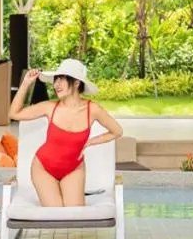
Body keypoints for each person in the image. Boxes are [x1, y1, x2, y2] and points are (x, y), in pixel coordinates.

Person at [8, 58, 123, 207]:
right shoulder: (49, 107)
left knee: (75, 215)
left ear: (76, 83)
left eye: (62, 79)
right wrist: (25, 84)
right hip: (44, 168)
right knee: (56, 213)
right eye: (56, 80)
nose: (56, 84)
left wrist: (90, 142)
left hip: (74, 168)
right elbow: (14, 114)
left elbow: (117, 131)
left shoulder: (92, 109)